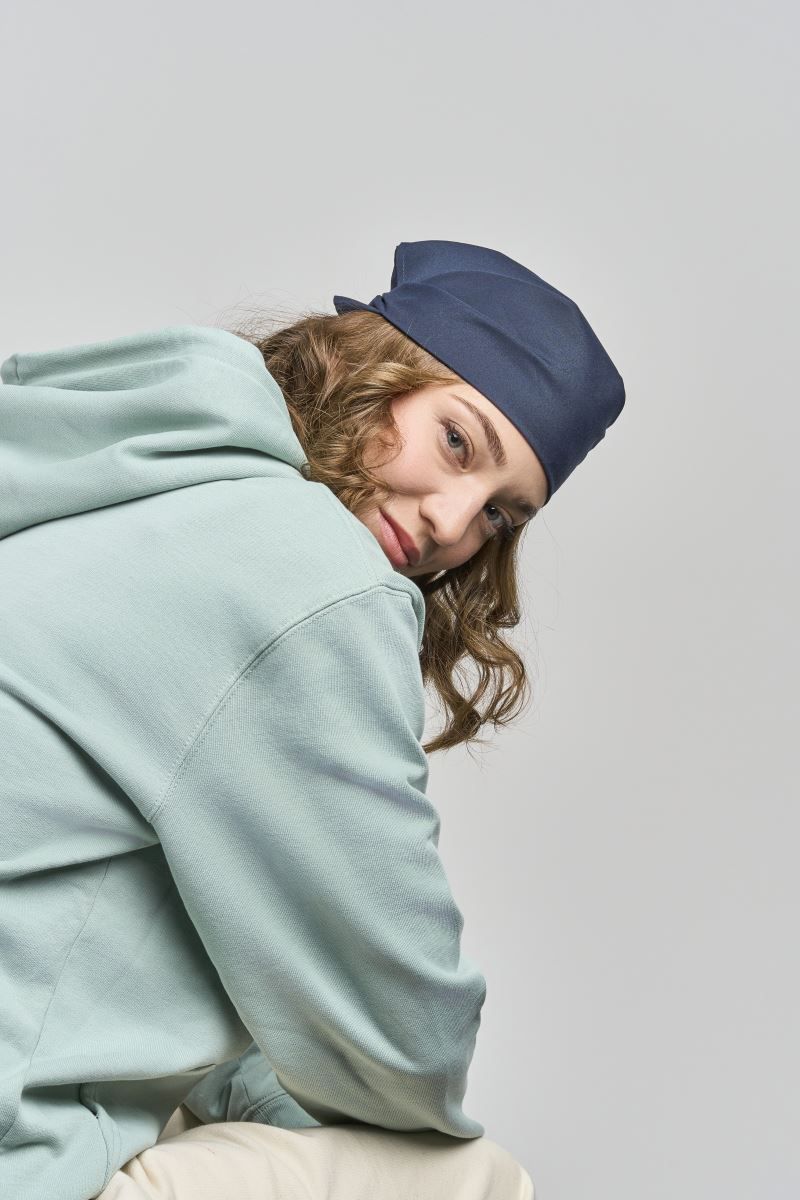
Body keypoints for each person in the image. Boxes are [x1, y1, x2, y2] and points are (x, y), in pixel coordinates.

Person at [0, 239, 625, 1199]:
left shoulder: (140, 471)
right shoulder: (307, 574)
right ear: (373, 371)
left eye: (501, 516)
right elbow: (407, 1044)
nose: (455, 524)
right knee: (468, 1177)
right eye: (457, 443)